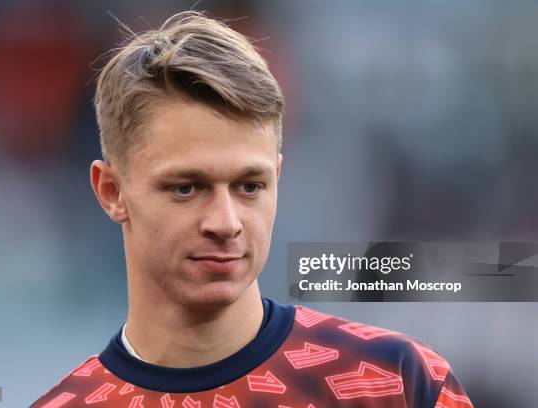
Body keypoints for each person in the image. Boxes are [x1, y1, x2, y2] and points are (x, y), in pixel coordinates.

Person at [31, 11, 473, 408]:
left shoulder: (398, 383)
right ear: (111, 191)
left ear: (277, 178)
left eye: (249, 186)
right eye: (186, 188)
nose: (225, 223)